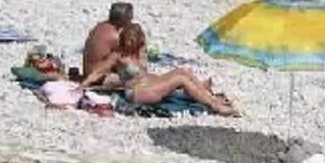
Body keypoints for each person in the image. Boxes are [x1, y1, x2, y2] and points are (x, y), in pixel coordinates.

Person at [84, 23, 238, 116]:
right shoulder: (118, 56)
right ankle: (215, 106)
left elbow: (143, 59)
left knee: (183, 71)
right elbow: (98, 71)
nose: (132, 43)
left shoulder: (139, 51)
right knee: (181, 79)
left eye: (135, 40)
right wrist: (83, 86)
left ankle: (209, 96)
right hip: (138, 93)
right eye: (130, 40)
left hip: (149, 84)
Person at [84, 2, 134, 73]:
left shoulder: (99, 27)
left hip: (88, 71)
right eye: (129, 18)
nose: (131, 21)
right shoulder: (114, 35)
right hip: (100, 77)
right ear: (123, 19)